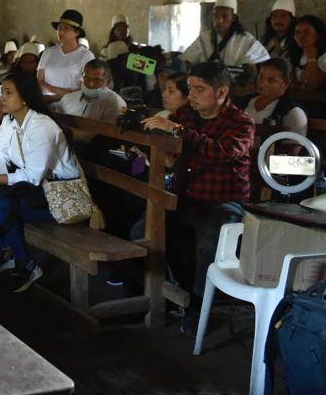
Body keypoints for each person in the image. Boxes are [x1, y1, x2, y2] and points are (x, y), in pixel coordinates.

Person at [142, 62, 255, 303]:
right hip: (186, 196)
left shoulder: (241, 122)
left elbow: (221, 152)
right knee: (144, 230)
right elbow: (168, 134)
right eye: (190, 88)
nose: (191, 95)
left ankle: (202, 307)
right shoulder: (186, 113)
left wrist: (178, 131)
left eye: (199, 89)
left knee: (207, 244)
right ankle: (173, 292)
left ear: (222, 92)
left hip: (222, 202)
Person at [0, 73, 81, 292]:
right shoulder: (10, 121)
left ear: (26, 98)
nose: (2, 98)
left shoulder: (42, 127)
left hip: (58, 197)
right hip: (32, 191)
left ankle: (26, 263)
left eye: (8, 93)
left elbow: (34, 176)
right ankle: (7, 251)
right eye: (1, 92)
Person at [181, 0, 268, 72]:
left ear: (233, 18)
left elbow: (261, 63)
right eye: (216, 15)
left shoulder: (245, 40)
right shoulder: (205, 37)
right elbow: (187, 60)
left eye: (225, 16)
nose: (219, 20)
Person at [239, 58, 307, 138]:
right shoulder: (243, 102)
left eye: (271, 80)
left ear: (285, 85)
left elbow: (292, 148)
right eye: (261, 77)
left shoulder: (292, 112)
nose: (263, 83)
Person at [38, 9, 96, 98]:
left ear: (77, 32)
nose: (61, 32)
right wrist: (59, 92)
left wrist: (58, 96)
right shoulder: (48, 52)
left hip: (72, 107)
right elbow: (39, 81)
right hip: (46, 104)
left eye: (66, 28)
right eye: (59, 28)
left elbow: (85, 87)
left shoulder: (86, 56)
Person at [53, 59, 127, 126]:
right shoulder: (67, 99)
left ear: (108, 81)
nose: (90, 84)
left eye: (97, 80)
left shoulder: (115, 102)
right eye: (87, 78)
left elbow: (107, 133)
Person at [289, 14, 326, 92]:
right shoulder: (297, 55)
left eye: (307, 32)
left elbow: (313, 85)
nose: (301, 36)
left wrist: (311, 57)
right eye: (297, 33)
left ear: (319, 34)